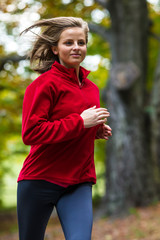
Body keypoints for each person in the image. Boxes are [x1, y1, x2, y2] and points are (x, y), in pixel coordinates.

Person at [17, 17, 112, 240]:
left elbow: (74, 128)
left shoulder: (91, 89)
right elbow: (31, 133)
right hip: (40, 179)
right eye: (68, 43)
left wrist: (94, 131)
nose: (76, 47)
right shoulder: (42, 85)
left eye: (81, 42)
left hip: (78, 181)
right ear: (55, 49)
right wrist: (80, 122)